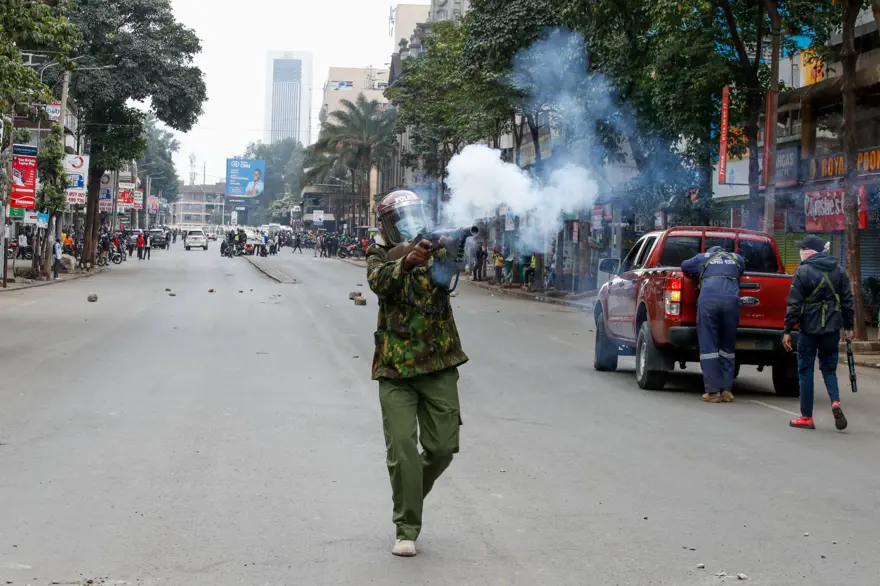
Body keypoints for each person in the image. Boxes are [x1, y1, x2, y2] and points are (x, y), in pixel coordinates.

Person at [367, 190, 468, 558]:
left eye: (413, 214)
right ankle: (406, 527)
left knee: (442, 449)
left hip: (438, 363)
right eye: (400, 218)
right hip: (395, 367)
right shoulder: (378, 251)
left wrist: (455, 245)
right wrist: (407, 261)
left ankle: (410, 496)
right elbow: (380, 282)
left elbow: (454, 270)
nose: (409, 222)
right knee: (403, 449)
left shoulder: (438, 245)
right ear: (387, 225)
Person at [783, 235, 854, 431]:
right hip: (832, 328)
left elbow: (794, 304)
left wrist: (787, 329)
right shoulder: (839, 270)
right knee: (829, 370)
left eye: (803, 248)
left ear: (809, 251)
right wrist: (849, 327)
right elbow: (848, 300)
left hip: (809, 329)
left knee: (805, 371)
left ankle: (806, 417)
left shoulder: (802, 271)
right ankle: (835, 403)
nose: (801, 251)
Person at [681, 245, 744, 403]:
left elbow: (684, 266)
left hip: (709, 301)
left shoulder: (703, 258)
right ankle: (727, 391)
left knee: (709, 346)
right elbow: (741, 270)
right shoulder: (736, 258)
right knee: (727, 347)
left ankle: (712, 391)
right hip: (731, 302)